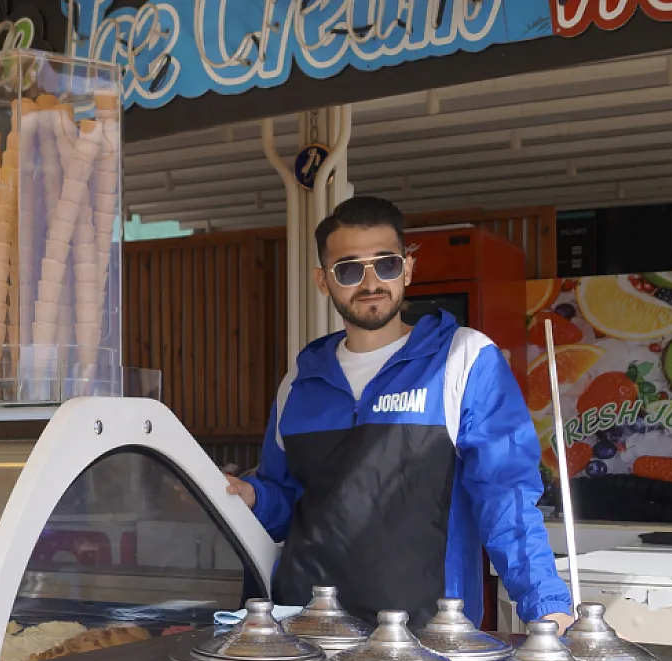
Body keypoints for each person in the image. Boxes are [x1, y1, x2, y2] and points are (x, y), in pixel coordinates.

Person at [225, 195, 573, 630]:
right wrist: (252, 496)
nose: (370, 282)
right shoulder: (300, 378)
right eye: (349, 269)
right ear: (323, 281)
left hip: (426, 643)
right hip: (306, 633)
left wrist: (547, 607)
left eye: (385, 264)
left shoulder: (463, 359)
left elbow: (506, 498)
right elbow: (287, 504)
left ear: (407, 268)